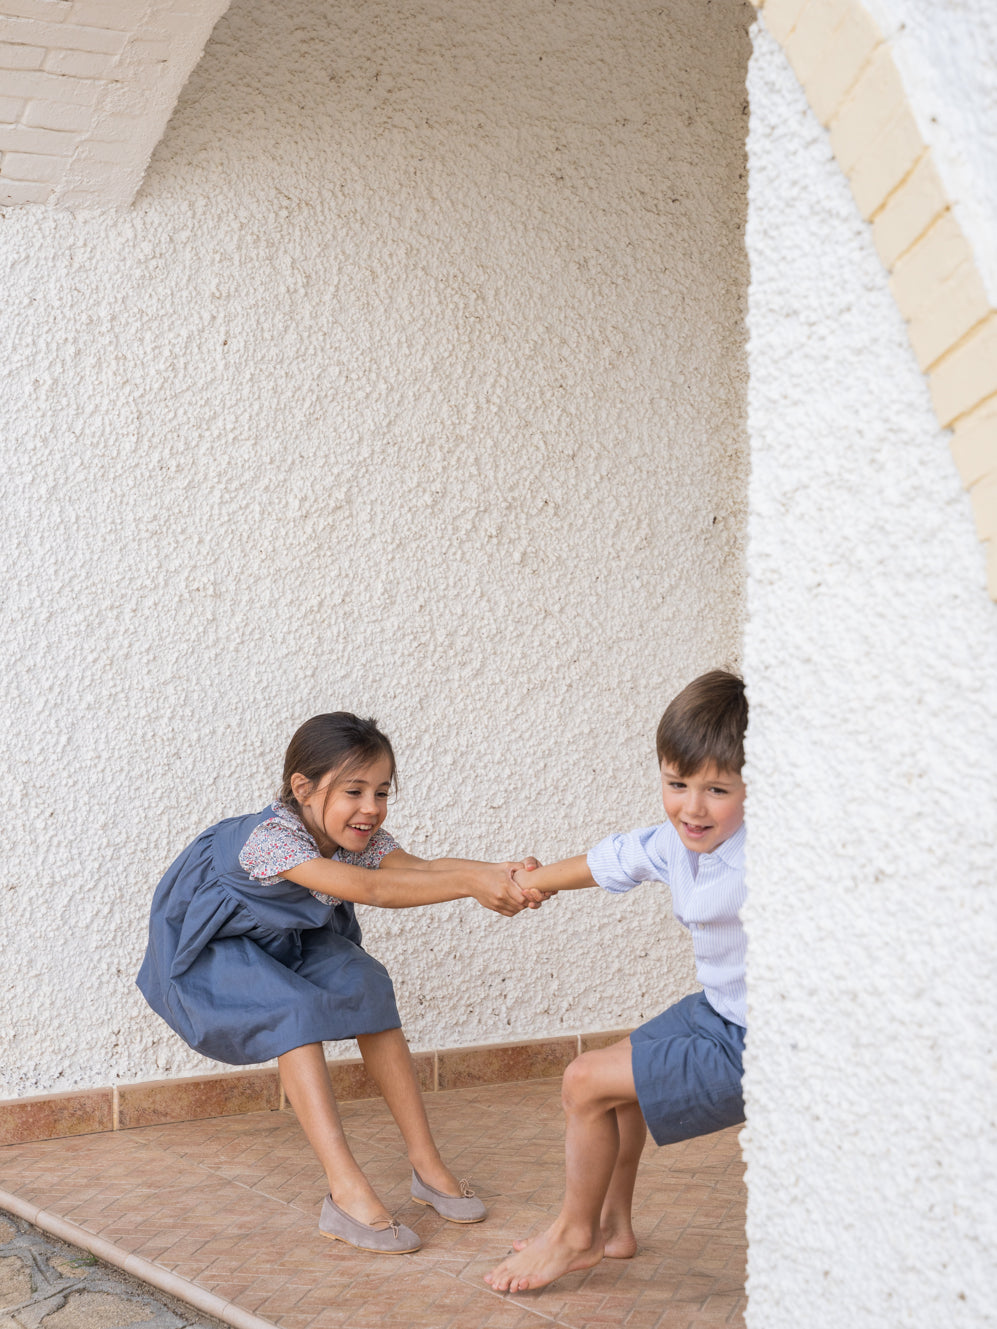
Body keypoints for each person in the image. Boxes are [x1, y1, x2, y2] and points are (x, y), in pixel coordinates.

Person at [138, 712, 542, 1255]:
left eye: (381, 791)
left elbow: (414, 869)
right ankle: (345, 1192)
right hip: (220, 946)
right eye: (354, 791)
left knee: (368, 985)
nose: (371, 808)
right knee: (294, 1013)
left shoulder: (351, 834)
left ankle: (426, 1165)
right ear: (303, 788)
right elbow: (367, 889)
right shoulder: (270, 841)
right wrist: (472, 884)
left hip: (288, 938)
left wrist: (500, 871)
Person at [485, 670, 748, 1293]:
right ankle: (610, 1226)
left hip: (760, 1040)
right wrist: (530, 881)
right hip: (718, 1008)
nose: (692, 807)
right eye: (677, 783)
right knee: (617, 1077)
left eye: (717, 789)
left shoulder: (776, 857)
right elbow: (613, 860)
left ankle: (575, 1237)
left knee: (584, 1080)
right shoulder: (676, 842)